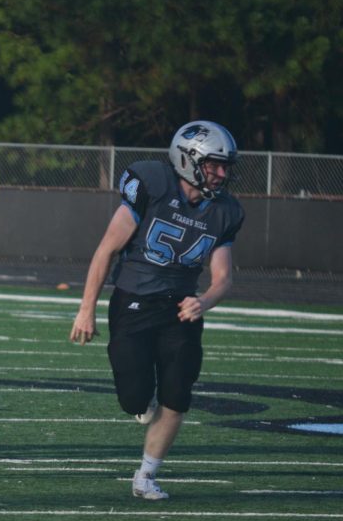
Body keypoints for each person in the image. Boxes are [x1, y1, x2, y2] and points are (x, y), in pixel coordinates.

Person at [69, 120, 244, 500]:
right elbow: (107, 250)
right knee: (134, 398)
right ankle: (142, 403)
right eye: (214, 164)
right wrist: (87, 310)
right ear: (189, 159)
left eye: (225, 165)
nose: (221, 173)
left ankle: (146, 475)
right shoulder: (153, 184)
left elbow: (223, 277)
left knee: (178, 394)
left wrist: (205, 301)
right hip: (133, 299)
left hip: (180, 307)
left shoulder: (225, 212)